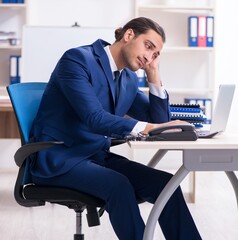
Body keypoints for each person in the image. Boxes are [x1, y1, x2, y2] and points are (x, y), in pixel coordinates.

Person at [29, 17, 202, 240]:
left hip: (96, 156)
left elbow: (158, 118)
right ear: (128, 35)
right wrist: (150, 128)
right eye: (148, 47)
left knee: (166, 185)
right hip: (61, 159)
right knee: (119, 185)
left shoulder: (128, 78)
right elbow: (95, 118)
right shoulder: (77, 60)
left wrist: (154, 75)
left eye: (156, 54)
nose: (149, 56)